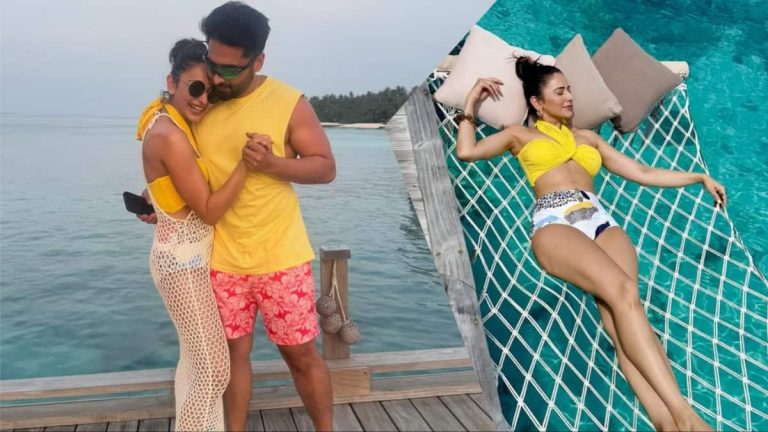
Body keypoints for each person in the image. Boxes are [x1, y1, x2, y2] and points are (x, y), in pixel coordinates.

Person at [455, 56, 724, 432]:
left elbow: (641, 171)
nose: (569, 97)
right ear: (537, 102)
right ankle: (686, 417)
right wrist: (470, 104)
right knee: (624, 291)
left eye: (570, 90)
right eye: (559, 91)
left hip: (600, 221)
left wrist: (697, 177)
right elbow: (466, 152)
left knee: (623, 317)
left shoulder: (588, 138)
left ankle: (666, 422)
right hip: (554, 221)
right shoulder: (519, 135)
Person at [193, 2, 336, 430]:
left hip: (281, 258)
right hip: (221, 259)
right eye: (212, 63)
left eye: (230, 70)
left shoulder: (289, 102)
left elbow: (325, 168)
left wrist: (272, 164)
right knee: (232, 358)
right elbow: (186, 167)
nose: (218, 78)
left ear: (258, 61)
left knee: (301, 357)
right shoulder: (202, 102)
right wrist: (157, 200)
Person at [137, 38, 256, 431]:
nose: (203, 99)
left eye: (210, 91)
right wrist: (246, 164)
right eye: (195, 87)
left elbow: (170, 180)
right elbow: (208, 210)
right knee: (213, 370)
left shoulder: (173, 124)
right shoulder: (170, 133)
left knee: (193, 365)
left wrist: (153, 197)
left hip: (187, 259)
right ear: (172, 82)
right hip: (181, 264)